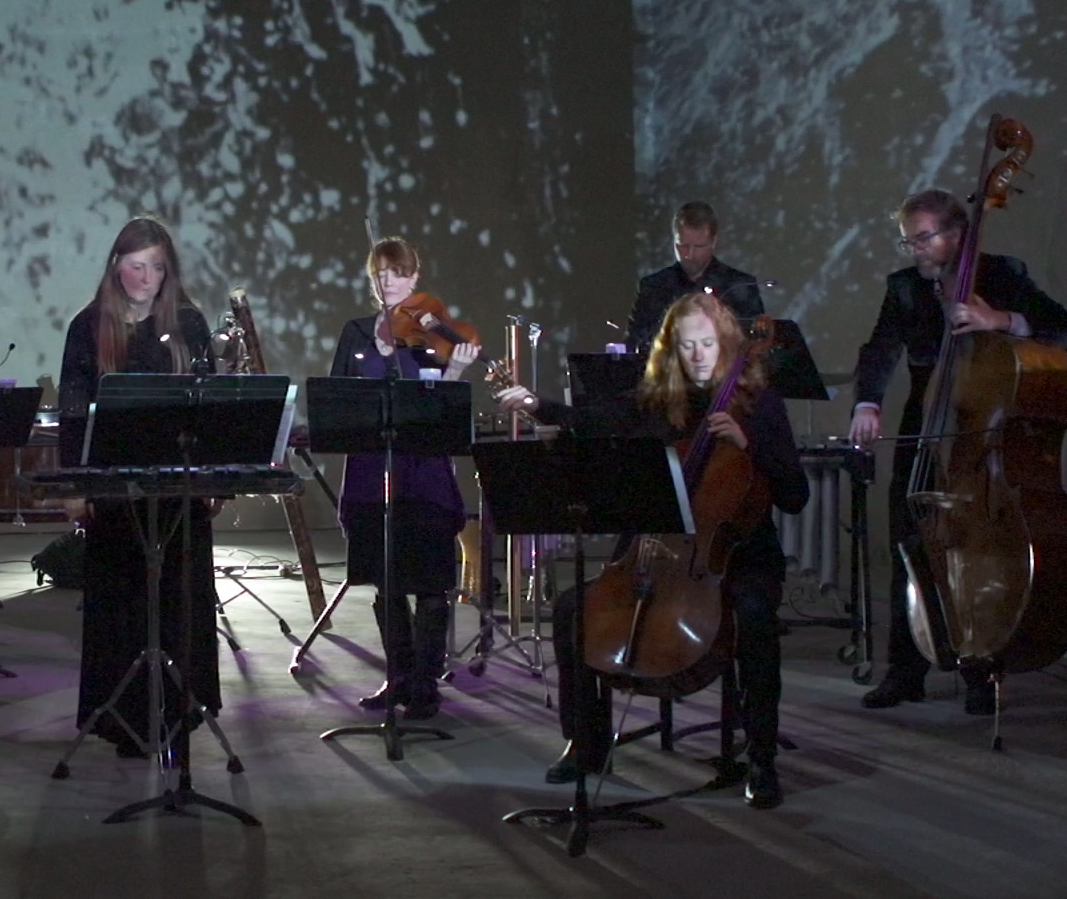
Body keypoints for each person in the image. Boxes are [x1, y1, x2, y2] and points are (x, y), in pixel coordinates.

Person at [498, 293, 809, 809]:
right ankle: (587, 744)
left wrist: (748, 445)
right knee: (574, 609)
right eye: (686, 346)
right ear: (671, 350)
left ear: (727, 343)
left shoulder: (760, 405)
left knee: (754, 617)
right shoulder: (659, 400)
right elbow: (589, 421)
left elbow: (796, 496)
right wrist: (538, 406)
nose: (698, 355)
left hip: (736, 554)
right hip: (655, 550)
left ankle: (761, 756)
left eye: (707, 343)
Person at [848, 189, 1067, 714]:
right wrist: (867, 403)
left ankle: (980, 669)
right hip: (926, 424)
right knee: (911, 543)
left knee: (977, 551)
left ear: (955, 234)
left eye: (923, 238)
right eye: (908, 241)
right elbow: (880, 349)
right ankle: (905, 670)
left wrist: (1002, 320)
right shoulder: (904, 287)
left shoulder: (1002, 274)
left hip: (979, 429)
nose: (914, 250)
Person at [57, 215, 217, 757]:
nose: (147, 278)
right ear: (115, 266)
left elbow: (209, 405)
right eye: (136, 266)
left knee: (178, 600)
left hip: (177, 491)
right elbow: (74, 411)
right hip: (115, 491)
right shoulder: (88, 326)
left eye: (157, 267)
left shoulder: (188, 323)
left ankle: (177, 714)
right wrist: (75, 486)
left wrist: (213, 480)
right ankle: (125, 720)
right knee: (121, 604)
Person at [330, 238, 478, 719]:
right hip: (371, 471)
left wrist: (455, 372)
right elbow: (337, 397)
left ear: (415, 277)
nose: (389, 281)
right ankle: (398, 677)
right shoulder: (355, 332)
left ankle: (425, 684)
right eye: (381, 273)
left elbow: (443, 411)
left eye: (398, 272)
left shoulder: (430, 331)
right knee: (386, 581)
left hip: (423, 471)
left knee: (431, 581)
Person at [624, 201, 765, 354]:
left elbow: (754, 345)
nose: (689, 255)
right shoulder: (653, 287)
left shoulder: (739, 285)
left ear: (714, 242)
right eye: (682, 245)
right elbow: (633, 343)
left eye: (699, 246)